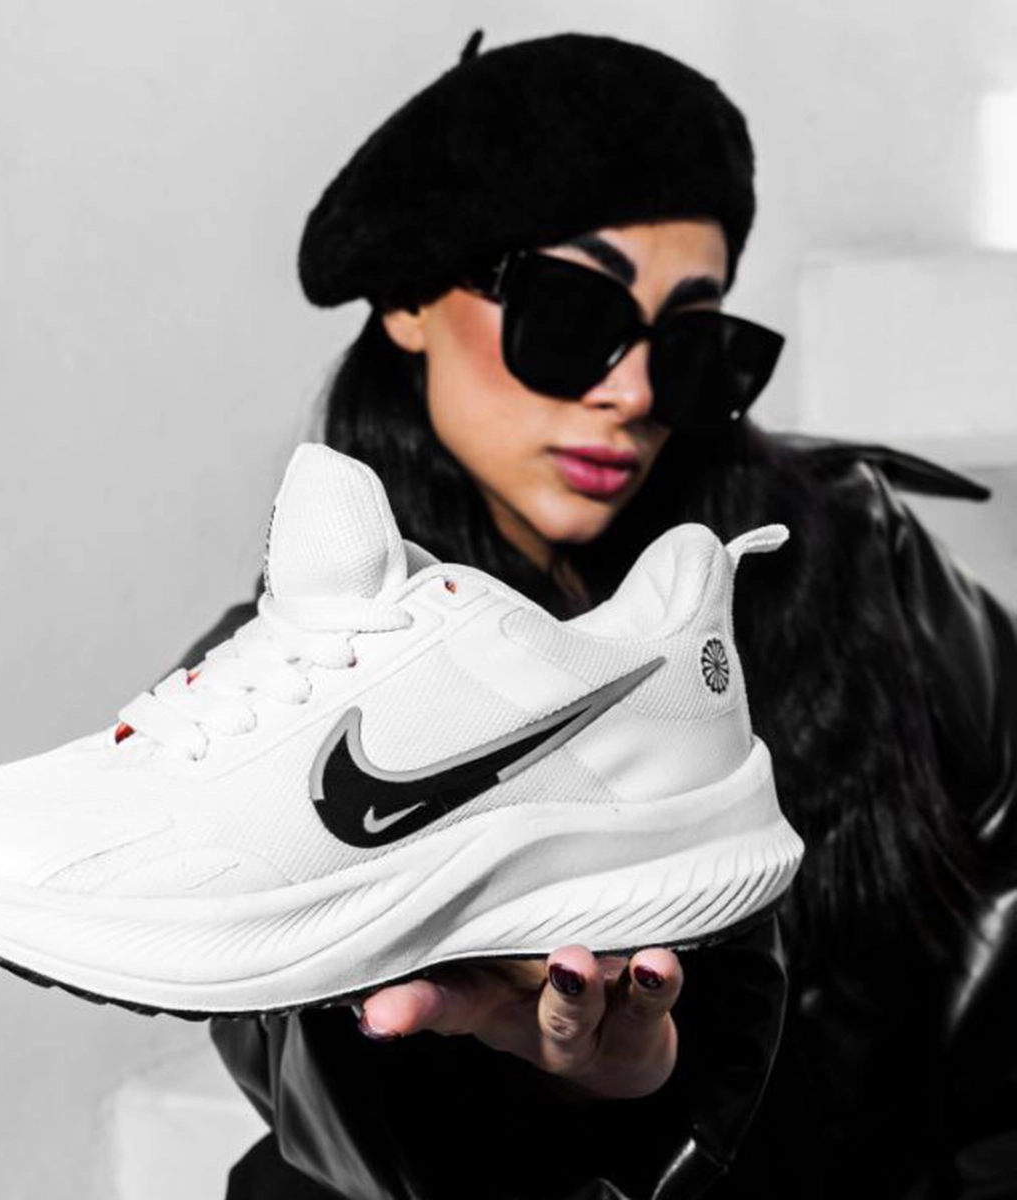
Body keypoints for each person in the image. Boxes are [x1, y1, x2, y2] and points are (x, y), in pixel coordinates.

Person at [171, 30, 1017, 1200]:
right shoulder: (283, 698)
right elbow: (333, 1112)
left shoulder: (856, 564)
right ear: (410, 298)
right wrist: (580, 1101)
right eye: (572, 313)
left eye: (691, 343)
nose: (632, 392)